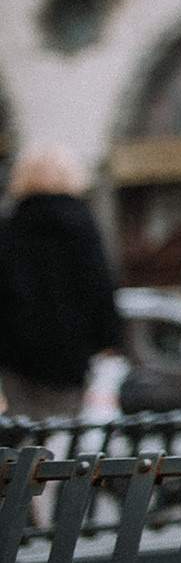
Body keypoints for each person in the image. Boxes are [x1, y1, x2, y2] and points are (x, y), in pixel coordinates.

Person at [0, 146, 121, 421]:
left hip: (17, 354)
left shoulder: (10, 227)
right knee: (64, 433)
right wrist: (107, 338)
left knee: (23, 430)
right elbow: (98, 287)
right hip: (71, 352)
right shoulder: (81, 225)